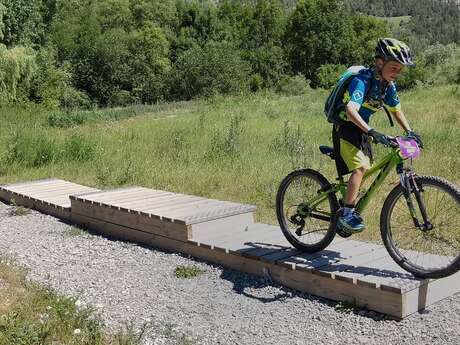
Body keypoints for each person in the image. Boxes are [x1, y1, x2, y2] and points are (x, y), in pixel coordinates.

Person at [332, 38, 423, 235]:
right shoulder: (362, 81)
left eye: (400, 69)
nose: (397, 73)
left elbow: (396, 109)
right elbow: (350, 110)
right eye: (394, 67)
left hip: (363, 130)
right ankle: (347, 214)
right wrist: (372, 131)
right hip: (346, 128)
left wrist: (410, 132)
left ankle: (348, 200)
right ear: (380, 63)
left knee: (367, 169)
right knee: (361, 168)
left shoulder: (387, 86)